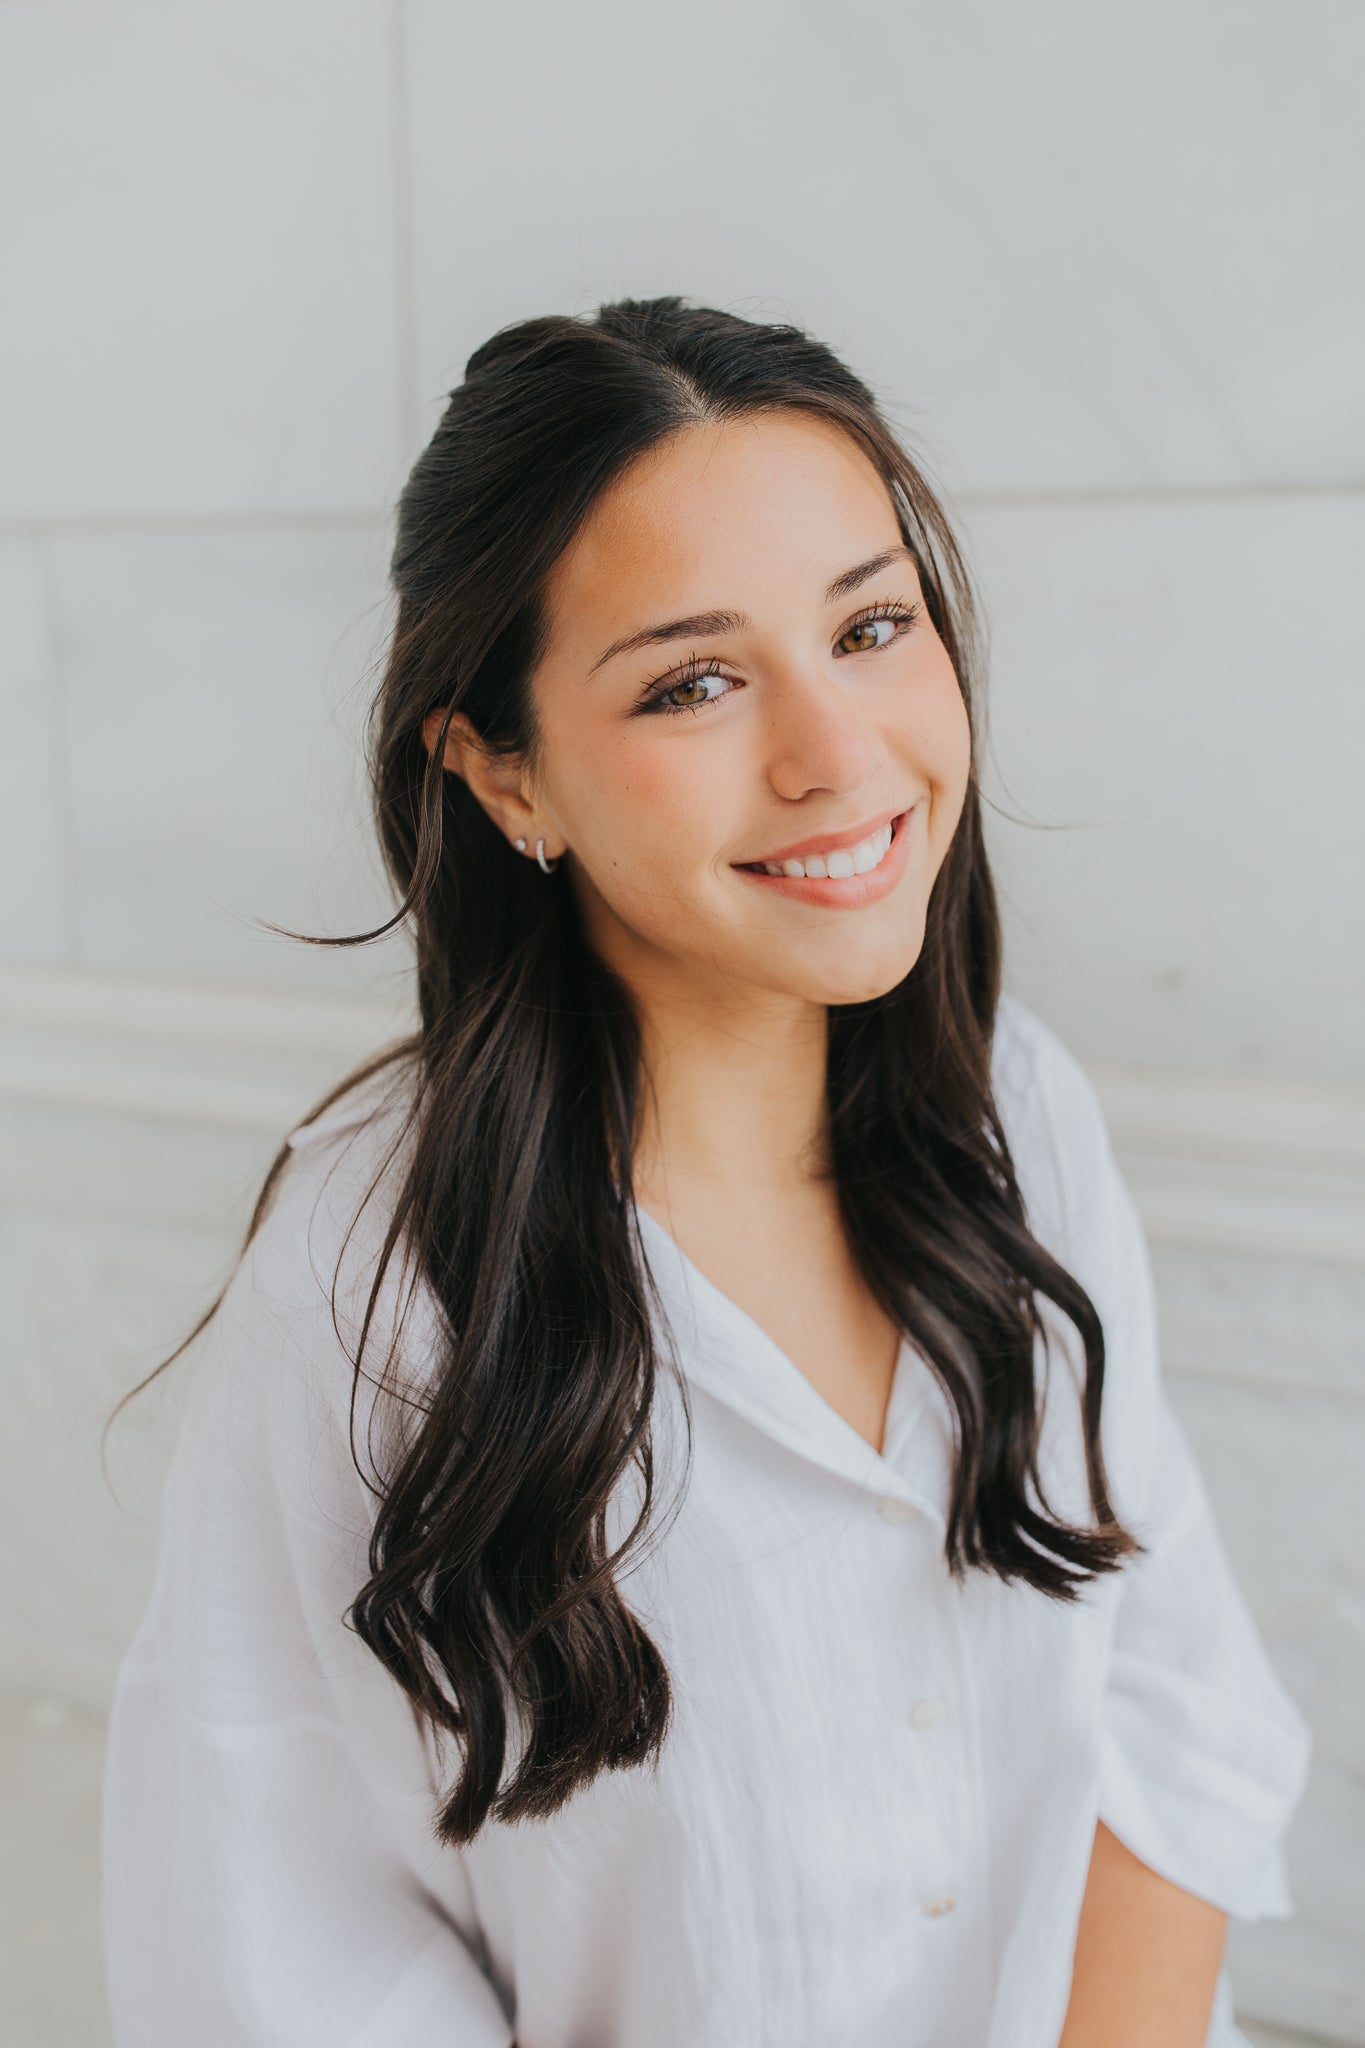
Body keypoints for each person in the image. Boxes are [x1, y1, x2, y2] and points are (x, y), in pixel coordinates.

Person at [100, 297, 1310, 2048]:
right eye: (693, 681)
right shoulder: (370, 1273)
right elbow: (275, 1950)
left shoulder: (1012, 1110)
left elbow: (1172, 1707)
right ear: (503, 772)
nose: (837, 759)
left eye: (873, 626)